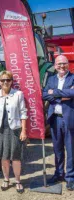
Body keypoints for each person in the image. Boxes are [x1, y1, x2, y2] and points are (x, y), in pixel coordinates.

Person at [0, 70, 27, 194]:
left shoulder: (18, 94)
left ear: (11, 81)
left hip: (15, 130)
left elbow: (23, 112)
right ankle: (6, 179)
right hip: (0, 130)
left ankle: (17, 180)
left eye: (8, 80)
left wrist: (23, 130)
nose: (5, 82)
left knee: (15, 158)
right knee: (4, 157)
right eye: (3, 80)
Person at [43, 55, 74, 191]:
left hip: (69, 118)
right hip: (55, 119)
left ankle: (70, 177)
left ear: (68, 64)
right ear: (55, 65)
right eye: (59, 64)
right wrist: (64, 95)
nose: (62, 66)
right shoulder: (51, 79)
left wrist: (54, 93)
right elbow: (44, 94)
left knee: (71, 149)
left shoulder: (73, 78)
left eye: (64, 64)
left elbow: (73, 93)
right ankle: (59, 173)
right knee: (57, 149)